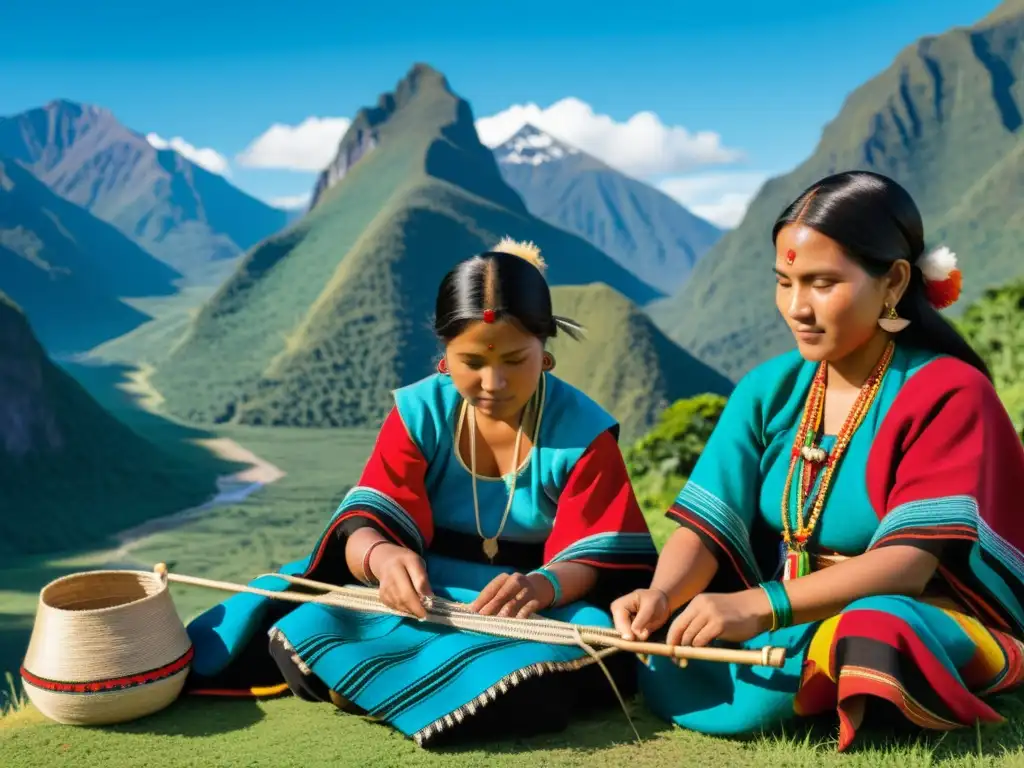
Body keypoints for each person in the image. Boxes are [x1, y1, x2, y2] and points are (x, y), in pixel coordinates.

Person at [184, 237, 659, 747]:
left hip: (535, 610)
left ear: (546, 353)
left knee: (569, 662)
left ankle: (369, 687)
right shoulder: (419, 413)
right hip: (421, 592)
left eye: (515, 360)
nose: (493, 382)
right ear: (443, 357)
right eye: (471, 361)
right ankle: (421, 691)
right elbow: (365, 521)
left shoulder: (583, 434)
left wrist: (541, 586)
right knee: (302, 631)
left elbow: (600, 553)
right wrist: (384, 559)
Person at [612, 171, 1024, 752]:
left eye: (822, 282)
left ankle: (830, 673)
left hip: (915, 608)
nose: (797, 307)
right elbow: (708, 526)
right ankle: (821, 680)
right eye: (784, 282)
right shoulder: (767, 390)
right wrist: (663, 595)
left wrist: (760, 607)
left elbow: (907, 566)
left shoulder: (949, 393)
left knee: (873, 631)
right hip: (783, 611)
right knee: (651, 632)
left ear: (894, 282)